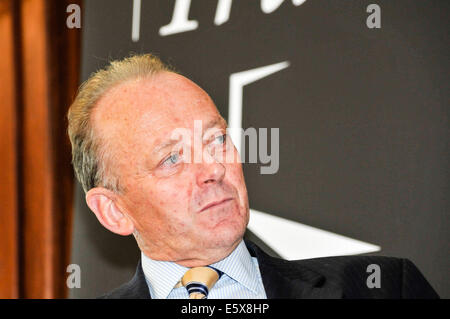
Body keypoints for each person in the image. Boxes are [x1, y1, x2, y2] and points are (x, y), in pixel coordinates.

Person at [67, 54, 438, 299]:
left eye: (216, 140)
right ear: (113, 211)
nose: (213, 169)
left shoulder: (383, 288)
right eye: (173, 158)